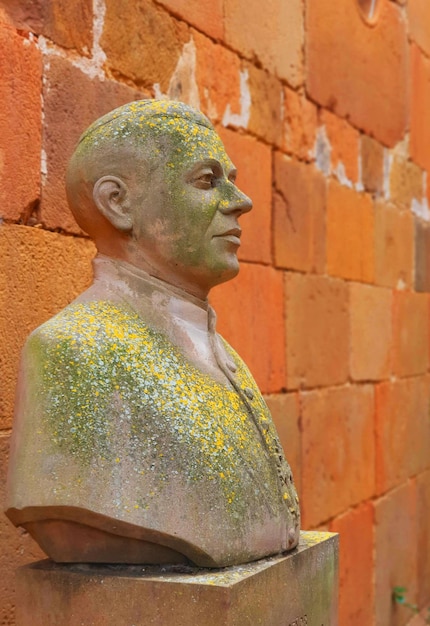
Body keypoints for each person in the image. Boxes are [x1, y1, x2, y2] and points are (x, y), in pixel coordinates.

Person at [6, 100, 300, 567]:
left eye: (232, 178)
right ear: (117, 203)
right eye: (207, 181)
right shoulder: (75, 350)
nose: (239, 201)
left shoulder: (220, 352)